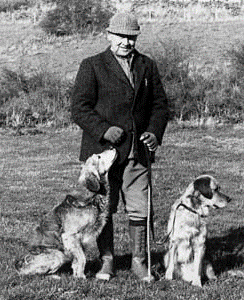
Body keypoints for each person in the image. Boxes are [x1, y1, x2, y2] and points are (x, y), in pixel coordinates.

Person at [71, 12, 169, 282]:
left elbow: (160, 105)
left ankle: (139, 262)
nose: (126, 42)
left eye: (131, 37)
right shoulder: (91, 66)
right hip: (103, 156)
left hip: (138, 152)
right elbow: (79, 107)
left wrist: (153, 133)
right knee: (105, 208)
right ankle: (107, 261)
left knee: (140, 207)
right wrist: (103, 129)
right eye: (121, 36)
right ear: (109, 35)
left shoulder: (147, 66)